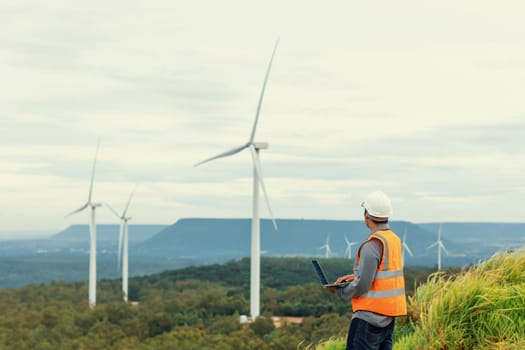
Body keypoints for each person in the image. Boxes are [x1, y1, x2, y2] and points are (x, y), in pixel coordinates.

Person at [325, 191, 407, 350]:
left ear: (366, 216)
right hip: (388, 318)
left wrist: (339, 291)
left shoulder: (372, 245)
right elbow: (383, 273)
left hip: (368, 320)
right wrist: (356, 276)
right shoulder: (394, 240)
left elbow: (363, 284)